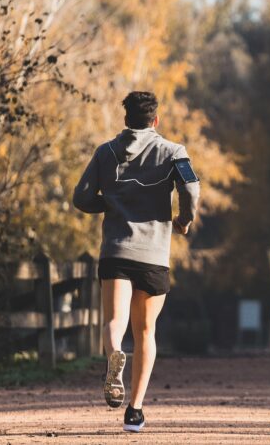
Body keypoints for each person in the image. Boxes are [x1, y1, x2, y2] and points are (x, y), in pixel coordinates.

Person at [72, 91, 200, 433]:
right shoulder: (174, 152)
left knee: (115, 321)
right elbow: (192, 188)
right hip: (153, 255)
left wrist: (112, 204)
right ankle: (135, 409)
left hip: (116, 250)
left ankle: (115, 354)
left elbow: (81, 197)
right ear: (155, 120)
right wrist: (183, 219)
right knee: (146, 331)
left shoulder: (106, 152)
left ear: (125, 119)